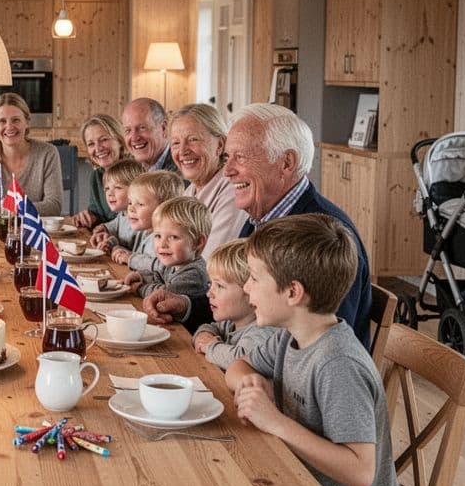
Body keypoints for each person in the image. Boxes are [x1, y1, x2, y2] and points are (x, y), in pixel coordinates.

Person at [143, 214, 396, 486]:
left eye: (255, 278)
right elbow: (238, 365)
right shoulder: (287, 337)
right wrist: (248, 379)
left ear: (293, 293)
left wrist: (275, 421)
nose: (247, 288)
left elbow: (360, 472)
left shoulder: (337, 364)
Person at [144, 103, 372, 346]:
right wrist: (184, 305)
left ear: (286, 163)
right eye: (228, 157)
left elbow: (324, 344)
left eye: (240, 157)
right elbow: (238, 296)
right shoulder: (260, 218)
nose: (228, 170)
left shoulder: (325, 236)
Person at [169, 104, 247, 260]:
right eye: (176, 143)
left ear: (219, 145)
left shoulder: (234, 190)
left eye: (193, 139)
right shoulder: (189, 192)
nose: (183, 151)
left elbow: (211, 261)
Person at [0, 93, 63, 216]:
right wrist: (17, 208)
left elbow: (53, 206)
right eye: (2, 121)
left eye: (16, 120)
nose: (9, 127)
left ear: (27, 122)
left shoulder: (47, 153)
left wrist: (3, 209)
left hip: (34, 232)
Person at [192, 239, 278, 369]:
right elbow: (209, 327)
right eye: (210, 284)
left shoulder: (262, 331)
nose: (209, 293)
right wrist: (204, 335)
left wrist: (210, 347)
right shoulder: (230, 323)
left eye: (219, 286)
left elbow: (241, 360)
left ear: (250, 290)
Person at [123, 197, 211, 302]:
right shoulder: (176, 263)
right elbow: (159, 275)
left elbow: (164, 294)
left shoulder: (194, 274)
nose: (162, 244)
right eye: (158, 236)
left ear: (198, 242)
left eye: (173, 237)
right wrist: (141, 276)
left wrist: (139, 288)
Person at [107, 170, 183, 271]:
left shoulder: (163, 241)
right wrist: (113, 244)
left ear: (163, 208)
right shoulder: (145, 232)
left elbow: (161, 268)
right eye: (130, 202)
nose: (131, 209)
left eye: (140, 204)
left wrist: (130, 258)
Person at [72, 114, 132, 229]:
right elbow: (98, 214)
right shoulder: (97, 176)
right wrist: (89, 217)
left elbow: (130, 221)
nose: (98, 148)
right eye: (91, 144)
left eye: (104, 140)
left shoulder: (133, 174)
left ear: (119, 140)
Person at [88, 159, 143, 256]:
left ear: (136, 190)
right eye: (107, 188)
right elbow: (116, 223)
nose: (110, 193)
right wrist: (104, 228)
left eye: (117, 188)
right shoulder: (123, 214)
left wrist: (116, 247)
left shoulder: (141, 222)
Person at [122, 98, 178, 172]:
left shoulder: (183, 169)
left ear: (164, 128)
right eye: (128, 130)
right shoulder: (128, 171)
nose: (134, 138)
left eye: (142, 128)